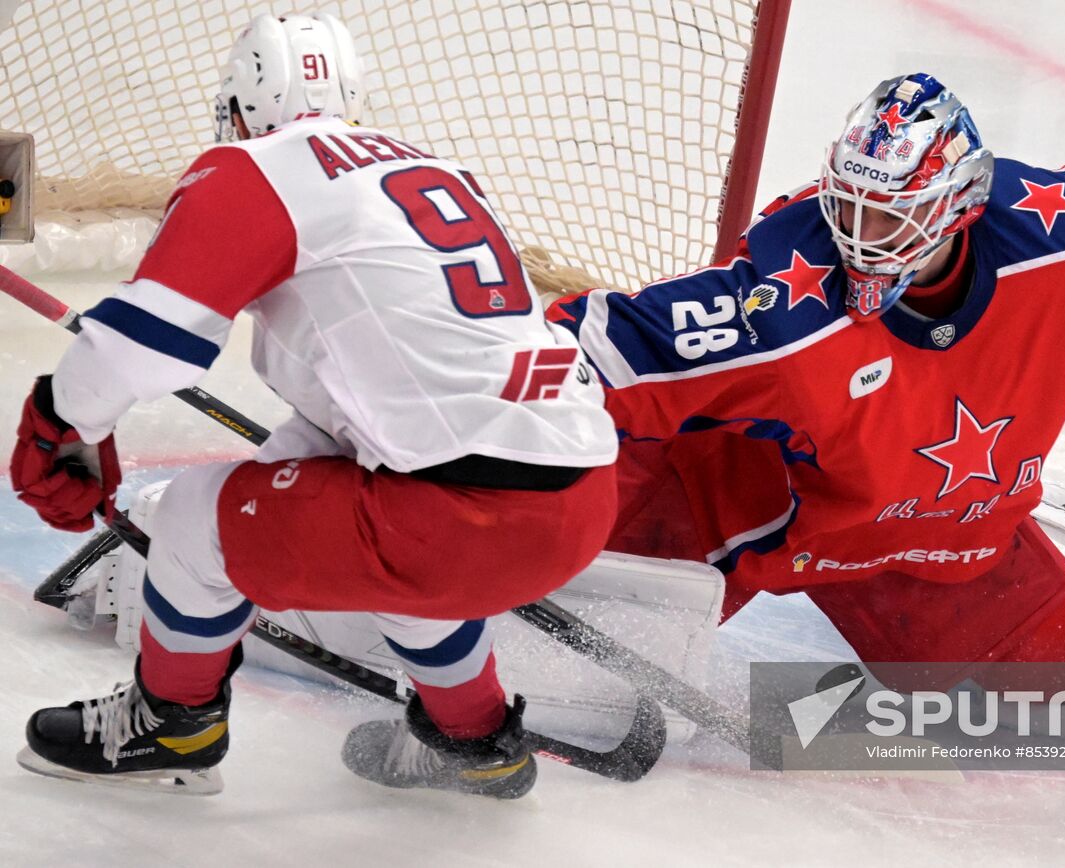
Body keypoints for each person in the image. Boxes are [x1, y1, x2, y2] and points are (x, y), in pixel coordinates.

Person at [548, 72, 1065, 691]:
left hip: (943, 539)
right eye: (849, 205)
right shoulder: (777, 308)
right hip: (744, 507)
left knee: (1059, 726)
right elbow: (606, 351)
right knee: (563, 676)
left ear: (959, 205)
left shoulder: (1064, 243)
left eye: (891, 214)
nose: (859, 235)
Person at [7, 13, 618, 799]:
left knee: (194, 522)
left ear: (237, 106)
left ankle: (174, 726)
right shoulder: (430, 165)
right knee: (379, 535)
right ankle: (478, 744)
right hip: (580, 491)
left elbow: (142, 346)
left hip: (461, 520)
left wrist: (61, 421)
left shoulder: (255, 168)